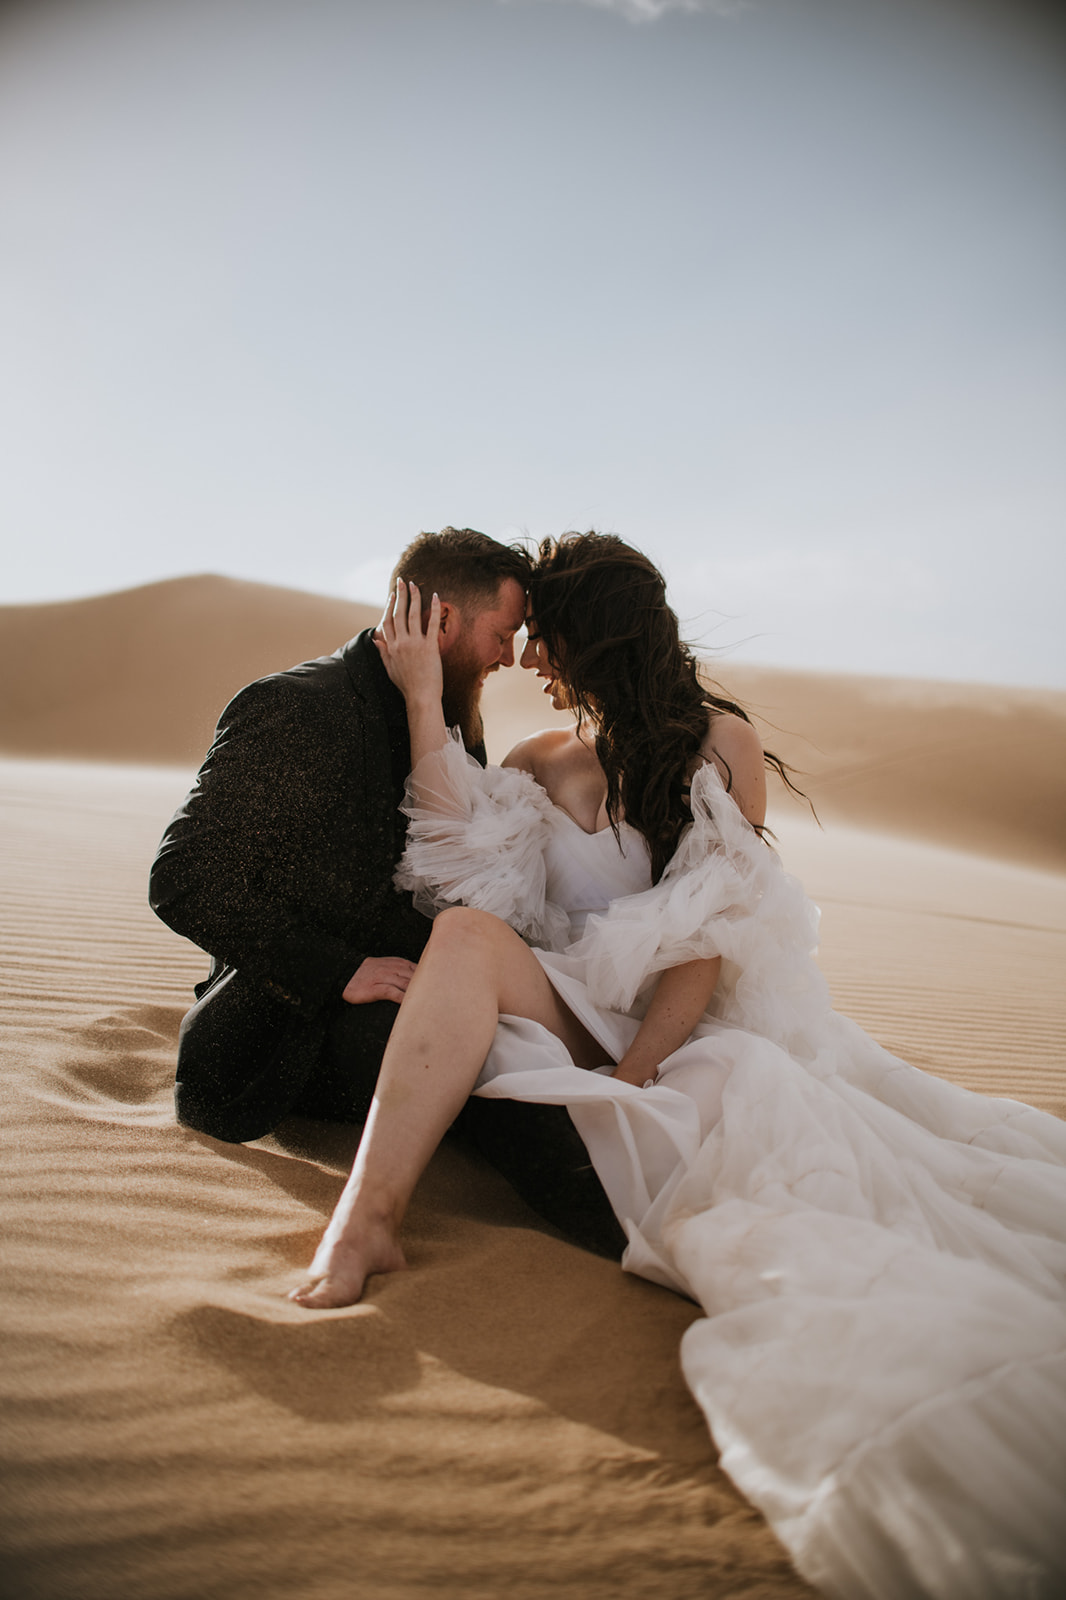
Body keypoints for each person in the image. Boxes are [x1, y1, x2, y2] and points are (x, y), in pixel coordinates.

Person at [291, 533, 1066, 1600]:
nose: (526, 659)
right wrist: (425, 697)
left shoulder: (715, 742)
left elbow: (713, 933)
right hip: (572, 1001)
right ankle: (366, 1215)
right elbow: (458, 868)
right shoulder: (535, 757)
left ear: (592, 632)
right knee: (467, 936)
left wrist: (640, 1073)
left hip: (678, 1025)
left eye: (543, 636)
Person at [148, 526, 627, 1259]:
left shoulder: (449, 714)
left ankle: (657, 1184)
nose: (509, 656)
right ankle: (628, 1236)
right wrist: (340, 972)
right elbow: (184, 878)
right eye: (502, 634)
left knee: (517, 1047)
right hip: (286, 1032)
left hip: (426, 994)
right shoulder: (299, 707)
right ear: (440, 621)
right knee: (489, 1071)